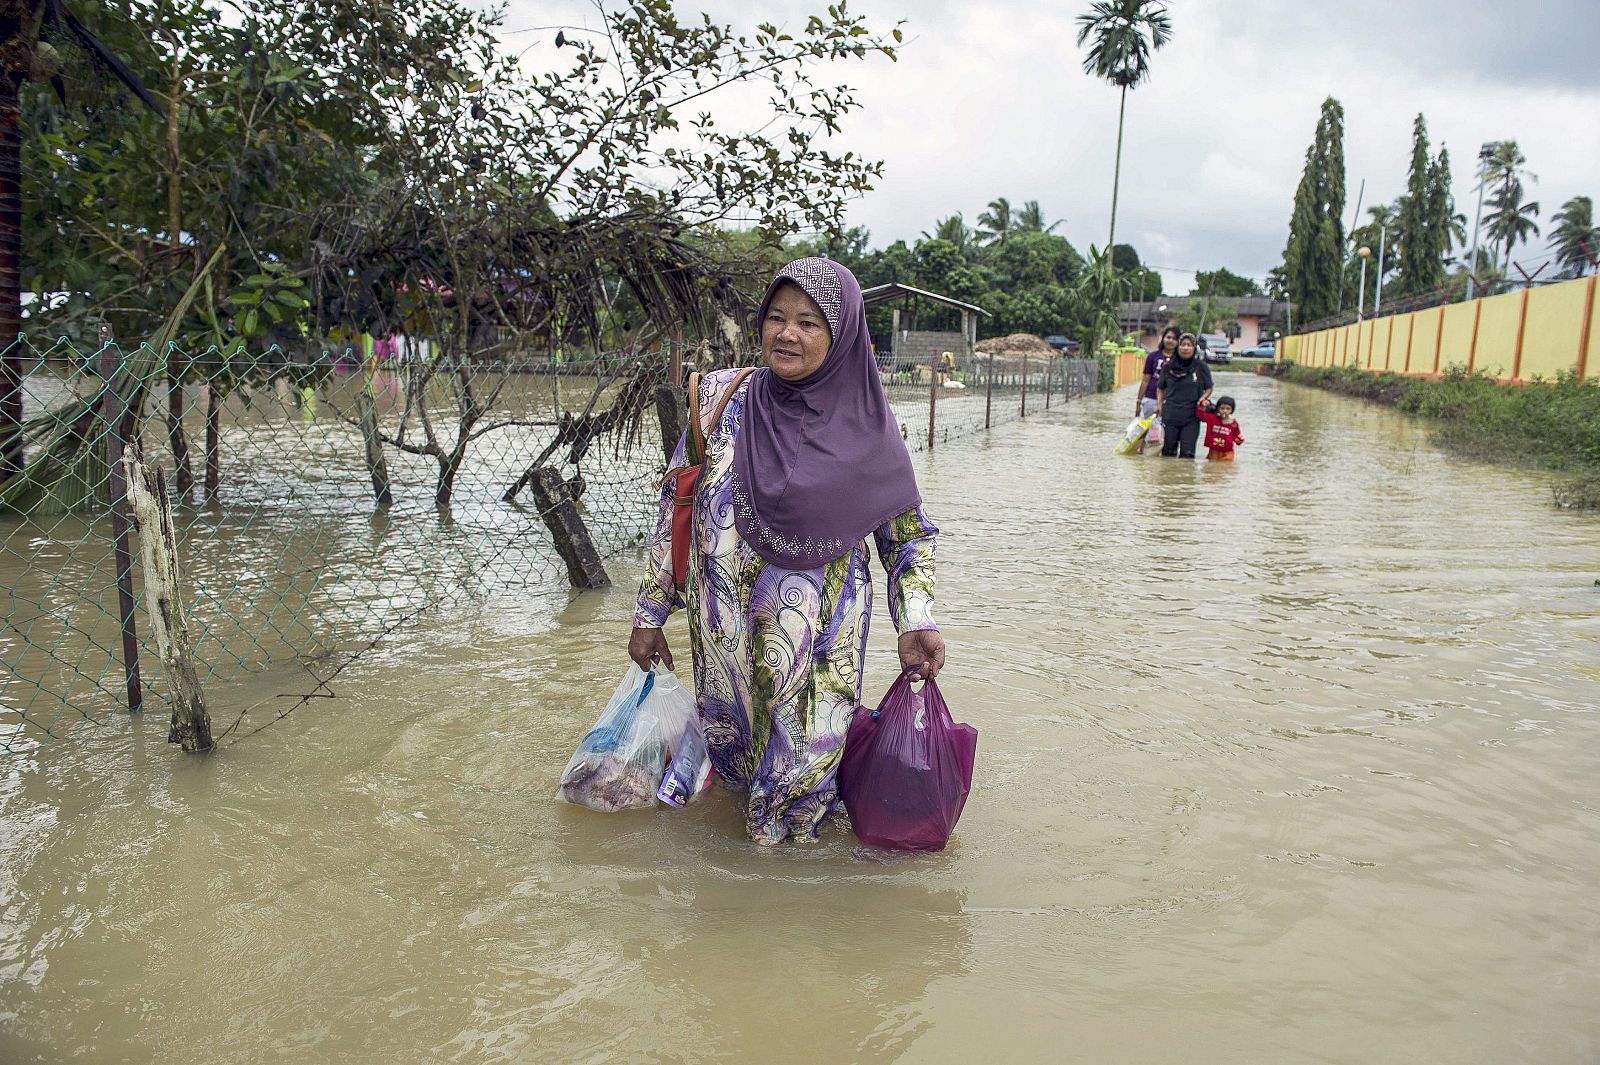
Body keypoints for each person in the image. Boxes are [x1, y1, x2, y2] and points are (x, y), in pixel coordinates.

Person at [629, 257, 945, 846]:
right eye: (776, 317)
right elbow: (675, 507)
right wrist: (650, 615)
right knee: (736, 779)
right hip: (724, 641)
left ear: (842, 334)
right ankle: (735, 924)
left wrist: (917, 619)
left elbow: (905, 536)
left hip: (821, 647)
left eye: (808, 321)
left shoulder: (870, 428)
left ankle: (790, 924)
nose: (787, 333)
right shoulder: (722, 400)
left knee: (799, 791)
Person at [1154, 333, 1214, 459]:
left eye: (1189, 345)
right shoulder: (1168, 367)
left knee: (1188, 454)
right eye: (1182, 345)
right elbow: (1160, 387)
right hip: (1170, 414)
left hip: (1191, 416)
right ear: (1178, 347)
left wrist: (1203, 399)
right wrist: (1159, 404)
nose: (1185, 348)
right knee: (1168, 453)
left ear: (1194, 348)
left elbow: (1209, 387)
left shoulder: (1200, 366)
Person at [1197, 394, 1244, 460]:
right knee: (1211, 467)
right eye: (1222, 408)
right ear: (1218, 409)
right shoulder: (1212, 419)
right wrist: (1202, 405)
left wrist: (1239, 441)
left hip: (1228, 452)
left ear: (1232, 410)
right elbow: (1200, 415)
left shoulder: (1234, 424)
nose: (1225, 411)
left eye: (1228, 409)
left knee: (1227, 467)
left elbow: (1236, 438)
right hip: (1213, 450)